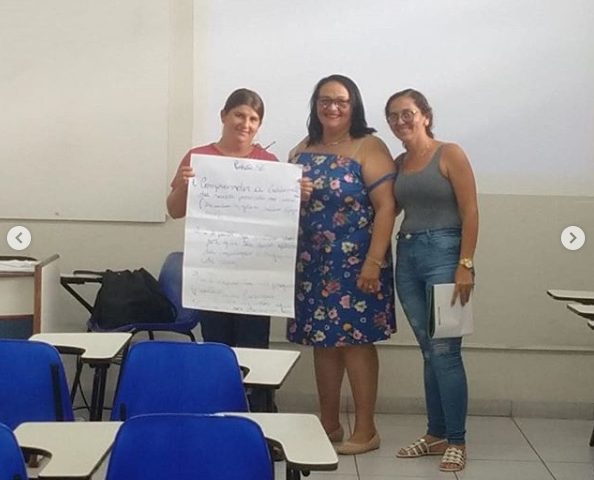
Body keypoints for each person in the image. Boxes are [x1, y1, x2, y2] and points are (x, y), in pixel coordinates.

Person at [287, 74, 397, 455]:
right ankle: (329, 423)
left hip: (357, 263)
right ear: (315, 104)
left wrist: (373, 262)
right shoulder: (302, 148)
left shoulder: (369, 146)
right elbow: (284, 206)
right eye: (324, 100)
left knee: (355, 343)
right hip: (311, 262)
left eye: (341, 101)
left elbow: (387, 207)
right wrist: (293, 195)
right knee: (323, 342)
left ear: (354, 106)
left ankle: (366, 430)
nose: (332, 107)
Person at [385, 88, 478, 472]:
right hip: (407, 256)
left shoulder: (450, 153)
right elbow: (385, 209)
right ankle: (435, 434)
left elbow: (470, 210)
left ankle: (457, 440)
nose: (400, 121)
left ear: (425, 115)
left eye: (407, 113)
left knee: (445, 351)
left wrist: (465, 264)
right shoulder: (399, 163)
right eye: (393, 116)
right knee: (428, 350)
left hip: (446, 253)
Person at [167, 88, 277, 412]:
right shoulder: (198, 157)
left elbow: (281, 218)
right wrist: (185, 186)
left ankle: (258, 416)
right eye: (239, 115)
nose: (246, 123)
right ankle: (218, 413)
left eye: (253, 119)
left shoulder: (269, 163)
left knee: (255, 353)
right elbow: (174, 210)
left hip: (256, 276)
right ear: (224, 116)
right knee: (217, 349)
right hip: (212, 273)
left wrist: (296, 192)